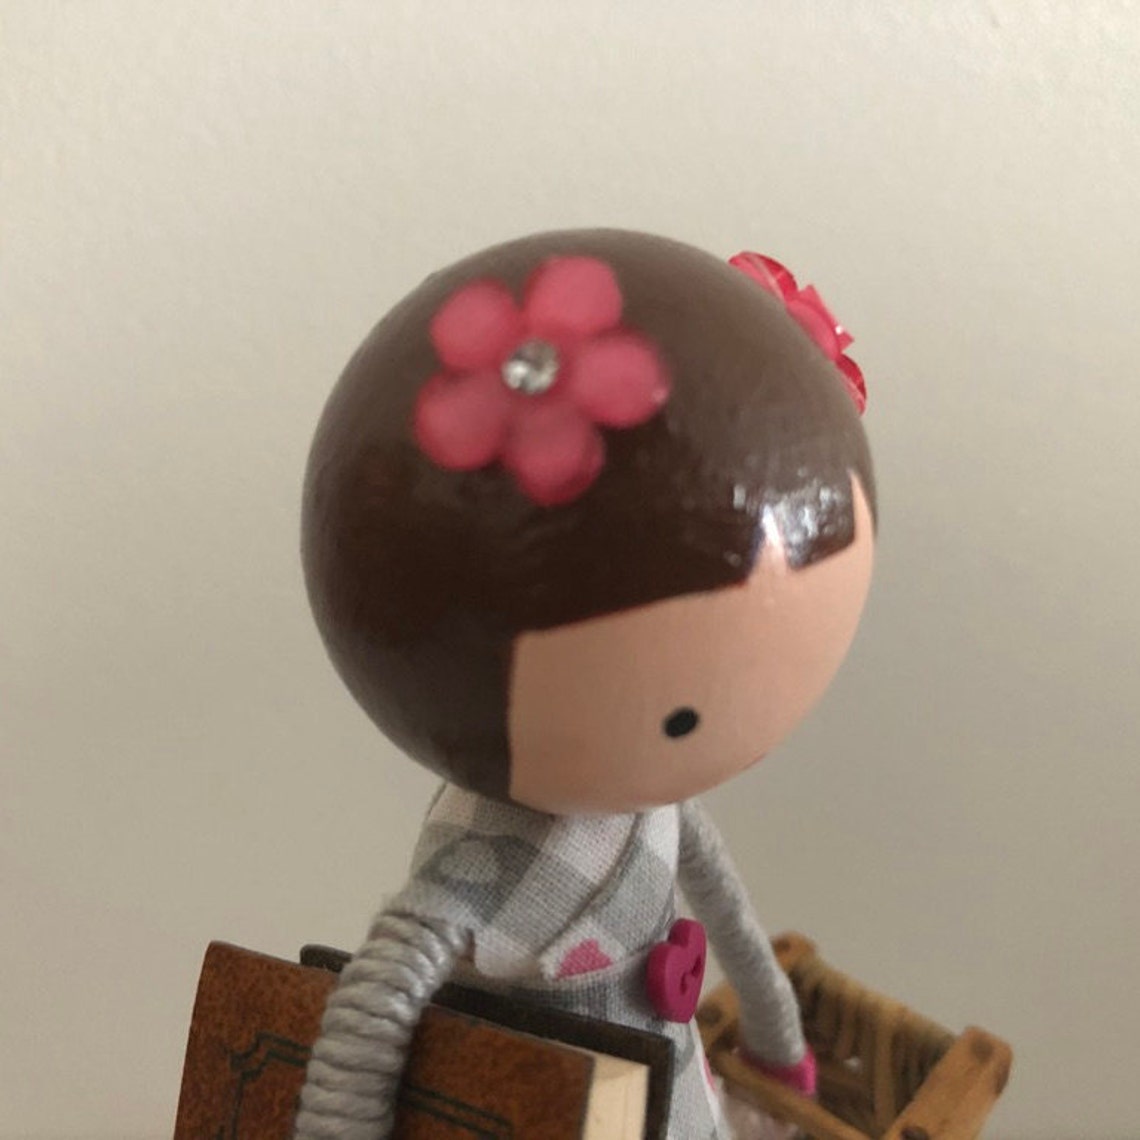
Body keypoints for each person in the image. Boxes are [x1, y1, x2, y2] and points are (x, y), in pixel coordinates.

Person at [293, 229, 875, 1139]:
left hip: (673, 1082)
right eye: (684, 715)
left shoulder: (650, 807)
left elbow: (731, 919)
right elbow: (372, 1016)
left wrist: (775, 1045)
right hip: (536, 1111)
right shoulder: (478, 883)